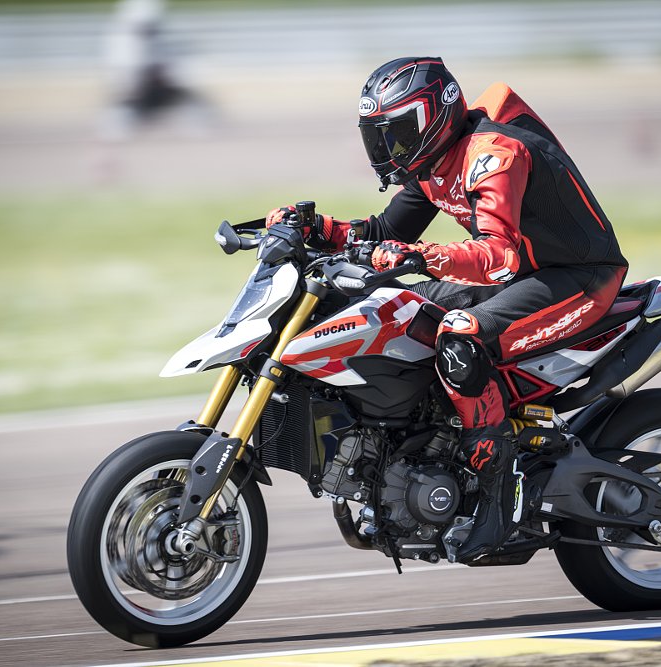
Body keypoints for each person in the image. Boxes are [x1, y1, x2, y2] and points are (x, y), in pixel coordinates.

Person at [266, 57, 627, 562]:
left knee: (460, 335)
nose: (388, 148)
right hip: (525, 278)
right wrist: (318, 229)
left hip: (578, 278)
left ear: (434, 116)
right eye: (379, 135)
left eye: (398, 132)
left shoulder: (493, 154)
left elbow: (498, 256)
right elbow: (383, 234)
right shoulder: (431, 163)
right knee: (397, 311)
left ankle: (500, 488)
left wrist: (419, 257)